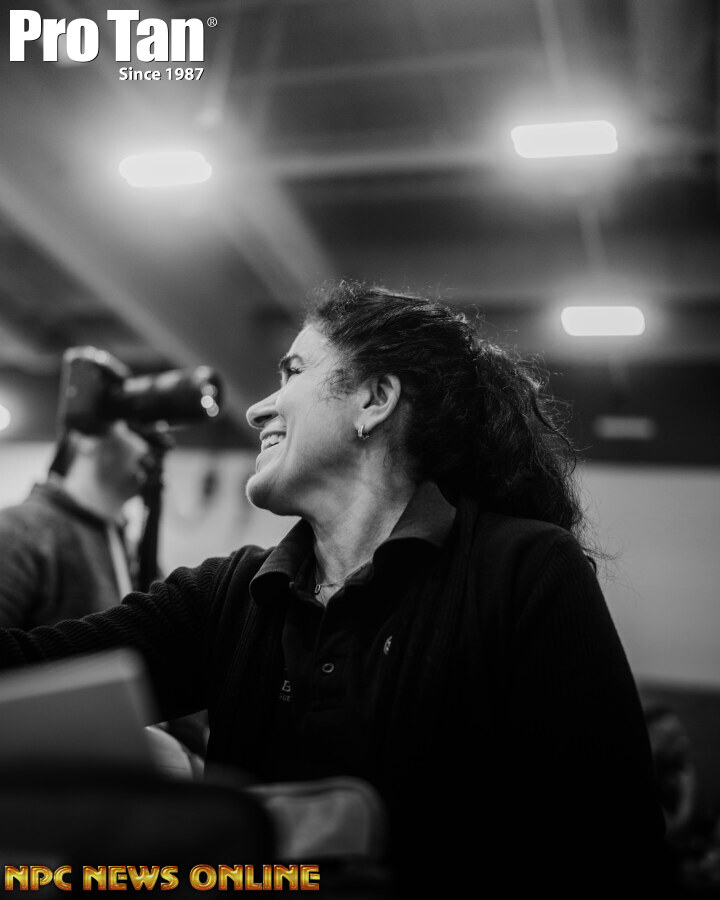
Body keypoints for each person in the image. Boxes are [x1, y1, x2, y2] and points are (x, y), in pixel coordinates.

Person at [0, 282, 666, 895]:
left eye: (292, 372)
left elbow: (616, 849)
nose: (257, 408)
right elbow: (21, 670)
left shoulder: (522, 569)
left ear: (374, 400)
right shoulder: (229, 594)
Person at [0, 420, 153, 628]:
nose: (152, 445)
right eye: (137, 429)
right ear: (86, 437)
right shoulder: (17, 530)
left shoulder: (133, 549)